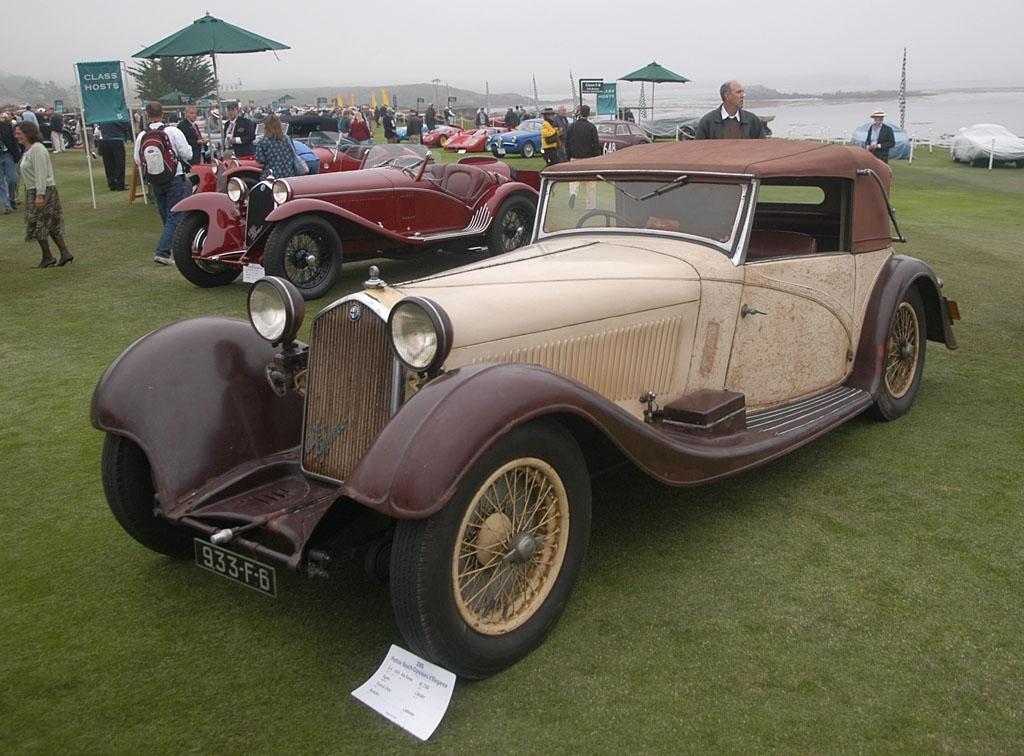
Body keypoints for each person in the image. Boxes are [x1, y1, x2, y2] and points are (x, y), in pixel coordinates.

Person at [133, 101, 192, 265]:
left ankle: (172, 246)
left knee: (166, 214)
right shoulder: (173, 131)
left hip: (154, 178)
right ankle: (163, 251)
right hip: (174, 175)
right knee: (175, 214)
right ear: (162, 114)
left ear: (147, 114)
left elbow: (137, 159)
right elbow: (186, 153)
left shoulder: (141, 136)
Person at [13, 121, 73, 267]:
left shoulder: (37, 149)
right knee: (47, 223)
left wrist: (39, 194)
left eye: (19, 133)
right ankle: (64, 254)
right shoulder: (29, 150)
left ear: (28, 133)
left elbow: (41, 173)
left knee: (40, 223)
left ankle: (48, 256)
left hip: (42, 190)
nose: (17, 136)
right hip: (34, 190)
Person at [695, 80, 768, 140]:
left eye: (743, 92)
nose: (743, 95)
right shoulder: (707, 122)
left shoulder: (753, 121)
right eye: (738, 92)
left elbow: (762, 147)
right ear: (726, 95)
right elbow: (698, 150)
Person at [564, 104, 601, 208]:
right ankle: (590, 205)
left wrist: (568, 156)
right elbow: (596, 144)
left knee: (574, 180)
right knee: (591, 183)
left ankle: (573, 193)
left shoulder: (572, 126)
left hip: (574, 157)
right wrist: (597, 157)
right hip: (589, 158)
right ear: (588, 113)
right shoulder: (591, 127)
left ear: (579, 113)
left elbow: (567, 142)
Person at [254, 114, 301, 180]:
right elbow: (293, 153)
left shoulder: (264, 141)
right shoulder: (286, 138)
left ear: (266, 126)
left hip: (271, 175)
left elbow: (260, 159)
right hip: (288, 174)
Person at [96, 121, 131, 191]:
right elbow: (125, 125)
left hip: (104, 139)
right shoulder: (115, 117)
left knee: (108, 164)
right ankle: (120, 184)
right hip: (116, 139)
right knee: (120, 162)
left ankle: (112, 184)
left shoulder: (102, 117)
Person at [1, 112, 23, 214]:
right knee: (0, 183)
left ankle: (12, 199)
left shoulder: (6, 126)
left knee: (13, 179)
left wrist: (17, 156)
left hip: (7, 154)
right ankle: (6, 206)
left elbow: (13, 141)